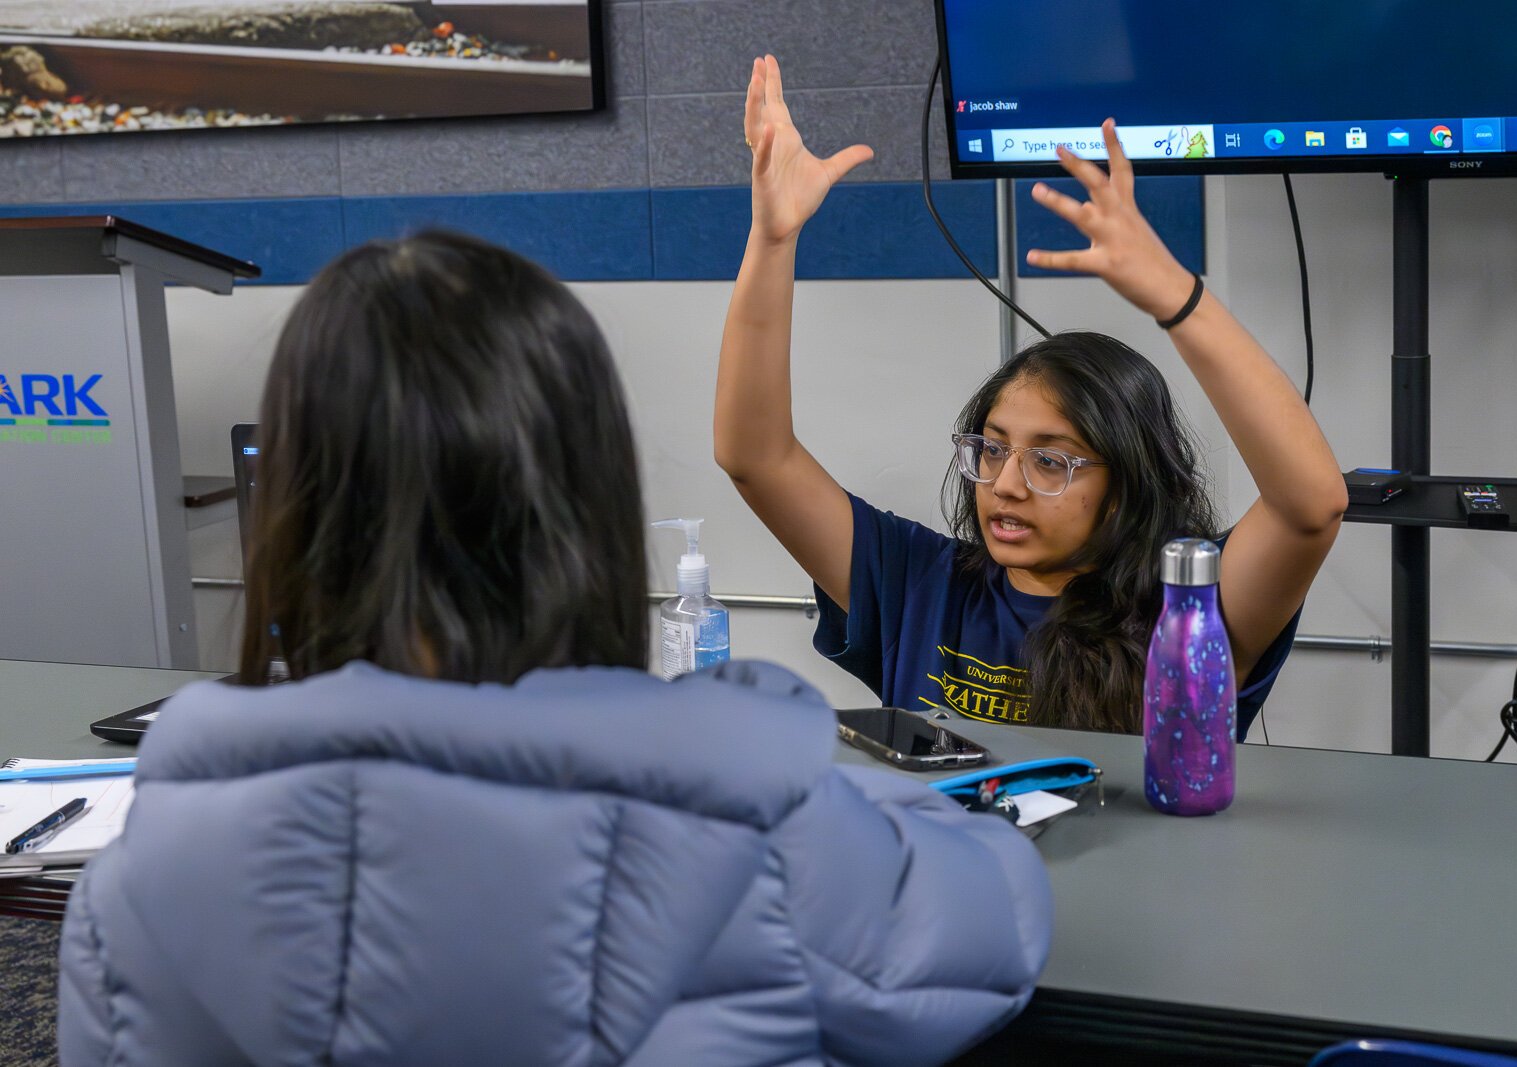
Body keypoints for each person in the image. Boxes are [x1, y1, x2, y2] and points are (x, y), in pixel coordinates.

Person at [56, 231, 1052, 1066]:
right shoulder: (757, 820)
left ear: (292, 506)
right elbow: (992, 927)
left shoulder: (131, 887)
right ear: (585, 500)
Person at [715, 56, 1348, 736]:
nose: (1005, 484)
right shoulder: (921, 583)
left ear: (1127, 483)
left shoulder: (1185, 613)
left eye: (1051, 461)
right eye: (991, 448)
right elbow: (755, 455)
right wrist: (773, 240)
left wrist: (1175, 295)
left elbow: (1312, 505)